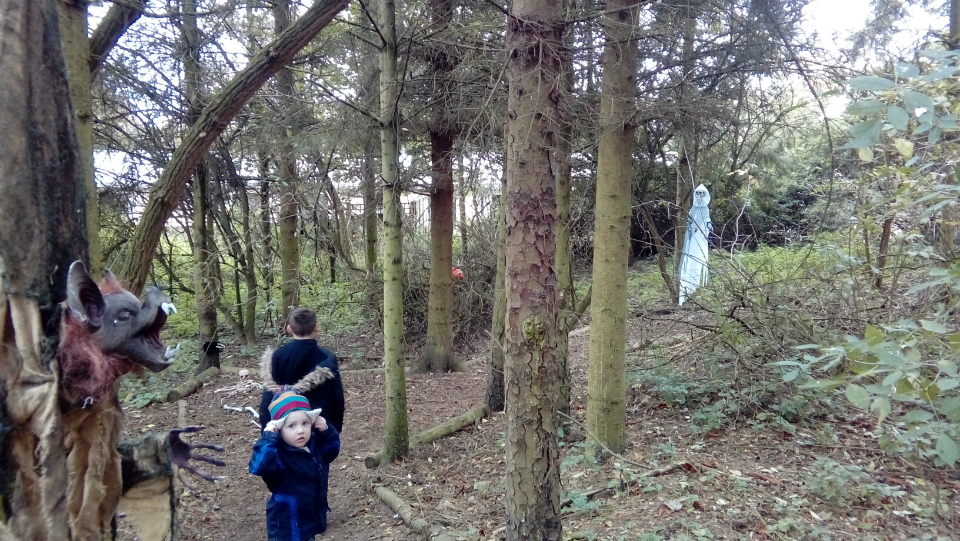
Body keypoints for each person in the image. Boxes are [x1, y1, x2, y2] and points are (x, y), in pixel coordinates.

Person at [249, 390, 341, 540]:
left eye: (305, 423)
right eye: (291, 426)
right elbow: (259, 466)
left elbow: (331, 451)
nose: (300, 431)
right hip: (286, 523)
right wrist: (268, 438)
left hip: (309, 519)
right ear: (279, 429)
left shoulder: (313, 447)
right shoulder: (278, 454)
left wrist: (326, 431)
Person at [258, 307, 345, 433]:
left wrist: (266, 426)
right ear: (315, 327)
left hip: (286, 425)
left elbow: (269, 394)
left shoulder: (278, 355)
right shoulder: (327, 358)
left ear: (289, 329)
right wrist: (334, 429)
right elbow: (337, 398)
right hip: (318, 424)